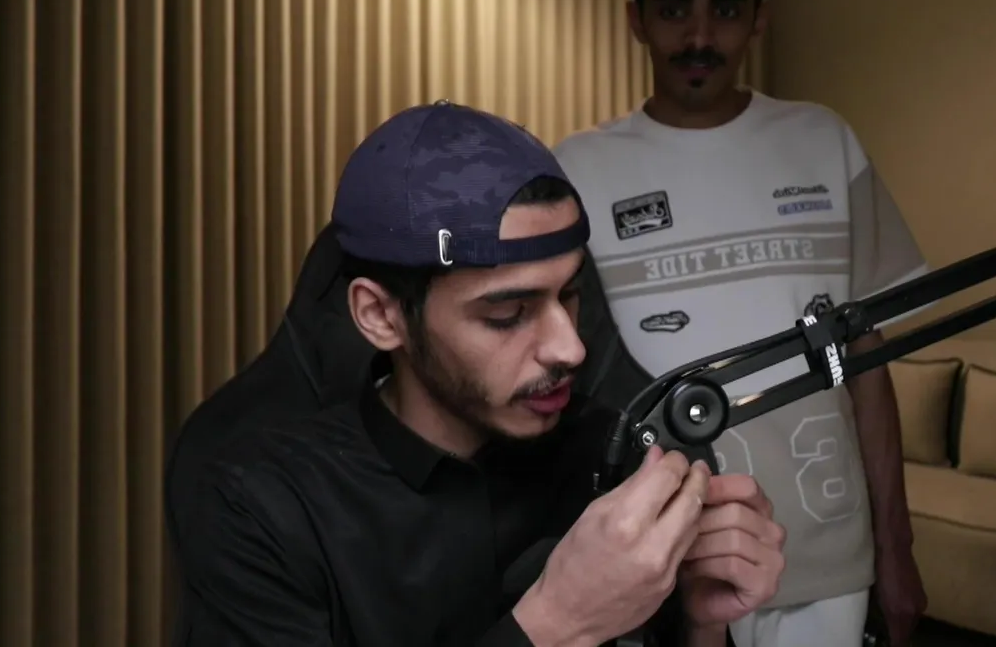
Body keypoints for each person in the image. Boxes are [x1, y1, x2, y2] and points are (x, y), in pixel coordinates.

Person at [165, 100, 787, 647]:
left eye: (571, 295)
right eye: (508, 314)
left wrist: (701, 625)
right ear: (381, 316)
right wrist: (558, 624)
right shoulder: (259, 505)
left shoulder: (611, 458)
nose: (570, 348)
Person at [550, 0, 931, 647]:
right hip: (659, 556)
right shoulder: (577, 169)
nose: (699, 38)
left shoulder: (823, 141)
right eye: (673, 10)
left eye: (725, 10)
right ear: (637, 20)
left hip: (824, 550)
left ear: (759, 18)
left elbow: (868, 366)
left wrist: (897, 546)